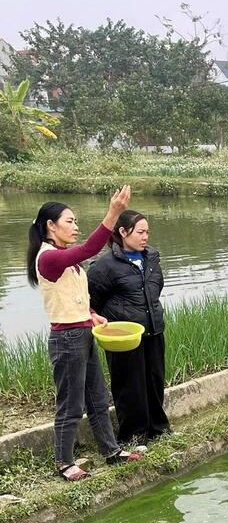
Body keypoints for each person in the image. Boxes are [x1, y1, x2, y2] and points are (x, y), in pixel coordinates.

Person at [26, 186, 142, 481]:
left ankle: (111, 452)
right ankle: (64, 463)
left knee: (98, 399)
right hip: (67, 340)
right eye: (70, 221)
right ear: (51, 226)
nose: (75, 227)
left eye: (76, 221)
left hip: (83, 333)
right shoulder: (48, 258)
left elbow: (70, 296)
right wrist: (114, 213)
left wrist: (90, 314)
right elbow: (91, 248)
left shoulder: (66, 258)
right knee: (71, 405)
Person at [88, 210, 171, 445]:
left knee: (154, 380)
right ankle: (133, 437)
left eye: (147, 232)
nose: (145, 237)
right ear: (123, 232)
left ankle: (158, 430)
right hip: (123, 337)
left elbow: (155, 290)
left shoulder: (151, 258)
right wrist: (98, 317)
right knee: (129, 386)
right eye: (140, 232)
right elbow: (90, 301)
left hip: (153, 329)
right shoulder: (105, 265)